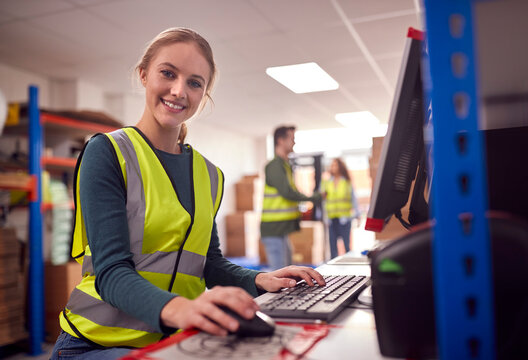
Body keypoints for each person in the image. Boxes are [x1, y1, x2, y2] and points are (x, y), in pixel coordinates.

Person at [50, 28, 325, 360]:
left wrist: (261, 279)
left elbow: (208, 263)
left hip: (173, 342)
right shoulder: (107, 152)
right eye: (168, 73)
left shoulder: (209, 175)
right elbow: (110, 272)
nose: (179, 90)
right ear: (143, 75)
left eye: (195, 83)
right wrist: (182, 309)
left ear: (204, 94)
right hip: (94, 343)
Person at [260, 126, 321, 271]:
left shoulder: (285, 166)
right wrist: (313, 198)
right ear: (281, 141)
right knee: (280, 275)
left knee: (287, 271)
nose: (294, 143)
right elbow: (287, 193)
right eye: (292, 139)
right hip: (274, 229)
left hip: (281, 230)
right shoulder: (274, 166)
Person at [322, 158, 361, 259]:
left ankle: (349, 267)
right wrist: (322, 216)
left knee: (347, 247)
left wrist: (358, 214)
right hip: (331, 219)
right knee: (333, 249)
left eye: (335, 165)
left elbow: (353, 199)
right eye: (332, 165)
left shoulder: (346, 182)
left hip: (344, 219)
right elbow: (323, 200)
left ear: (340, 166)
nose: (333, 167)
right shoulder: (326, 183)